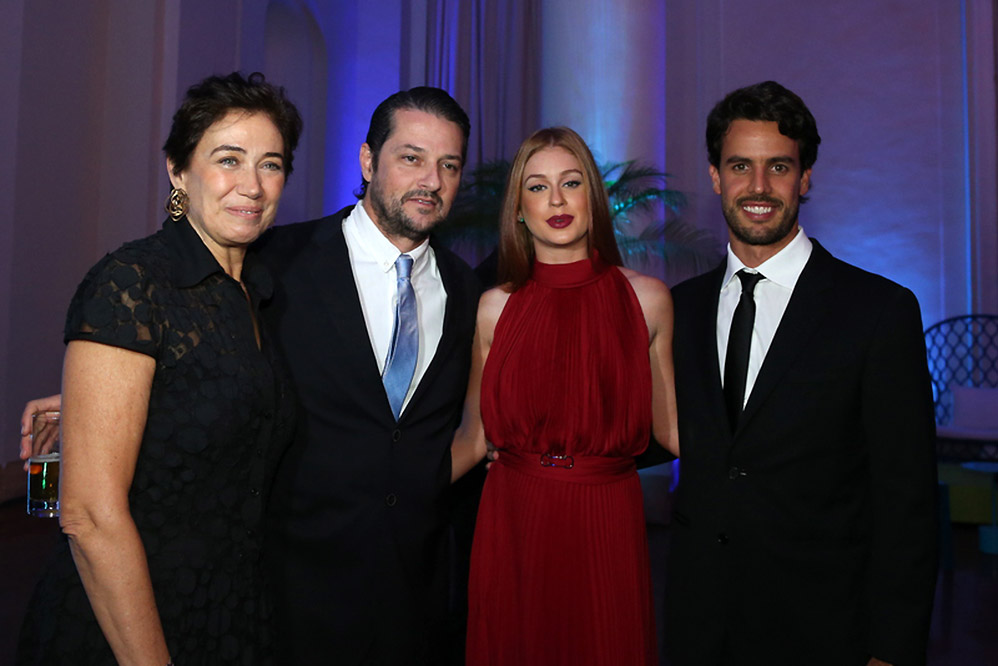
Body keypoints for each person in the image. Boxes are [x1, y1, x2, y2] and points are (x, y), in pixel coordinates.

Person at [16, 72, 302, 665]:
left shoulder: (259, 293)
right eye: (229, 159)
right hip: (127, 621)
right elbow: (89, 514)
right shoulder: (132, 282)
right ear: (178, 171)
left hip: (232, 611)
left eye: (271, 164)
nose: (252, 184)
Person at [664, 81, 937, 665]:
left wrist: (892, 648)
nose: (758, 187)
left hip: (823, 630)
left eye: (778, 167)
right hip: (698, 626)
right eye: (740, 165)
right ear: (715, 175)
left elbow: (906, 499)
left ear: (805, 177)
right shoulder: (677, 309)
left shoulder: (879, 311)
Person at [255, 87, 481, 664]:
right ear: (366, 160)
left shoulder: (468, 290)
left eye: (448, 165)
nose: (431, 179)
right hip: (291, 585)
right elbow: (211, 363)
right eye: (411, 157)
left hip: (417, 592)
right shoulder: (277, 262)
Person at [450, 126, 680, 666]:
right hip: (513, 520)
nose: (555, 200)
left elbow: (671, 429)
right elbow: (473, 436)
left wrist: (775, 469)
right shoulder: (493, 309)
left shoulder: (648, 300)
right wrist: (387, 490)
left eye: (570, 182)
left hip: (607, 518)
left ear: (592, 198)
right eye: (537, 187)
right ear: (518, 211)